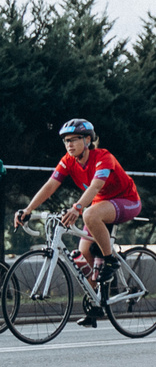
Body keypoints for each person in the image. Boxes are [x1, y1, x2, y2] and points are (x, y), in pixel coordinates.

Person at [12, 119, 141, 295]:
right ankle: (94, 302)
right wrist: (28, 210)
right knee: (84, 254)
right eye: (66, 140)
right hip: (100, 205)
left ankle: (111, 260)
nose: (69, 144)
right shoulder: (68, 161)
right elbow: (50, 185)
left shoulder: (103, 157)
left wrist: (77, 208)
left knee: (89, 214)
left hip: (127, 201)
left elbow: (96, 186)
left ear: (87, 140)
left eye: (74, 139)